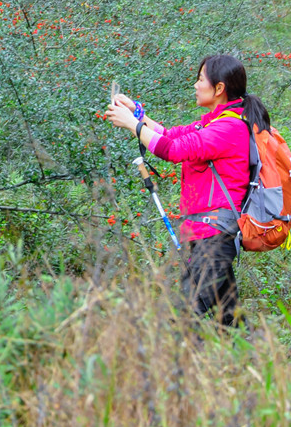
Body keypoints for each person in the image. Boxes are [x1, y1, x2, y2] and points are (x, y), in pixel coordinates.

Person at [104, 54, 271, 326]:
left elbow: (171, 151)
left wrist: (132, 125)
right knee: (229, 321)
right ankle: (247, 362)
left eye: (201, 79)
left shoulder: (228, 127)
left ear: (219, 89)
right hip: (210, 237)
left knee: (181, 317)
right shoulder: (216, 122)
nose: (195, 85)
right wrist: (136, 113)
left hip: (214, 239)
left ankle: (173, 367)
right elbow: (170, 135)